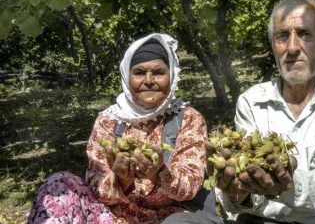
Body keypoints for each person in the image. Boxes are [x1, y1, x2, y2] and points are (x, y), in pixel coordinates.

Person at [27, 33, 219, 224]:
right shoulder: (108, 120)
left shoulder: (188, 119)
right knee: (59, 183)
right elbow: (96, 185)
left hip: (171, 217)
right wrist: (122, 180)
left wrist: (158, 173)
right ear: (127, 77)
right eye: (139, 72)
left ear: (172, 76)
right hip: (113, 218)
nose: (149, 80)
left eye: (159, 72)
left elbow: (191, 186)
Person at [214, 0, 315, 224]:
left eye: (305, 34)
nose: (292, 47)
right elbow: (248, 186)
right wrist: (238, 191)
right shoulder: (251, 101)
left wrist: (287, 182)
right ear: (273, 47)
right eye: (282, 36)